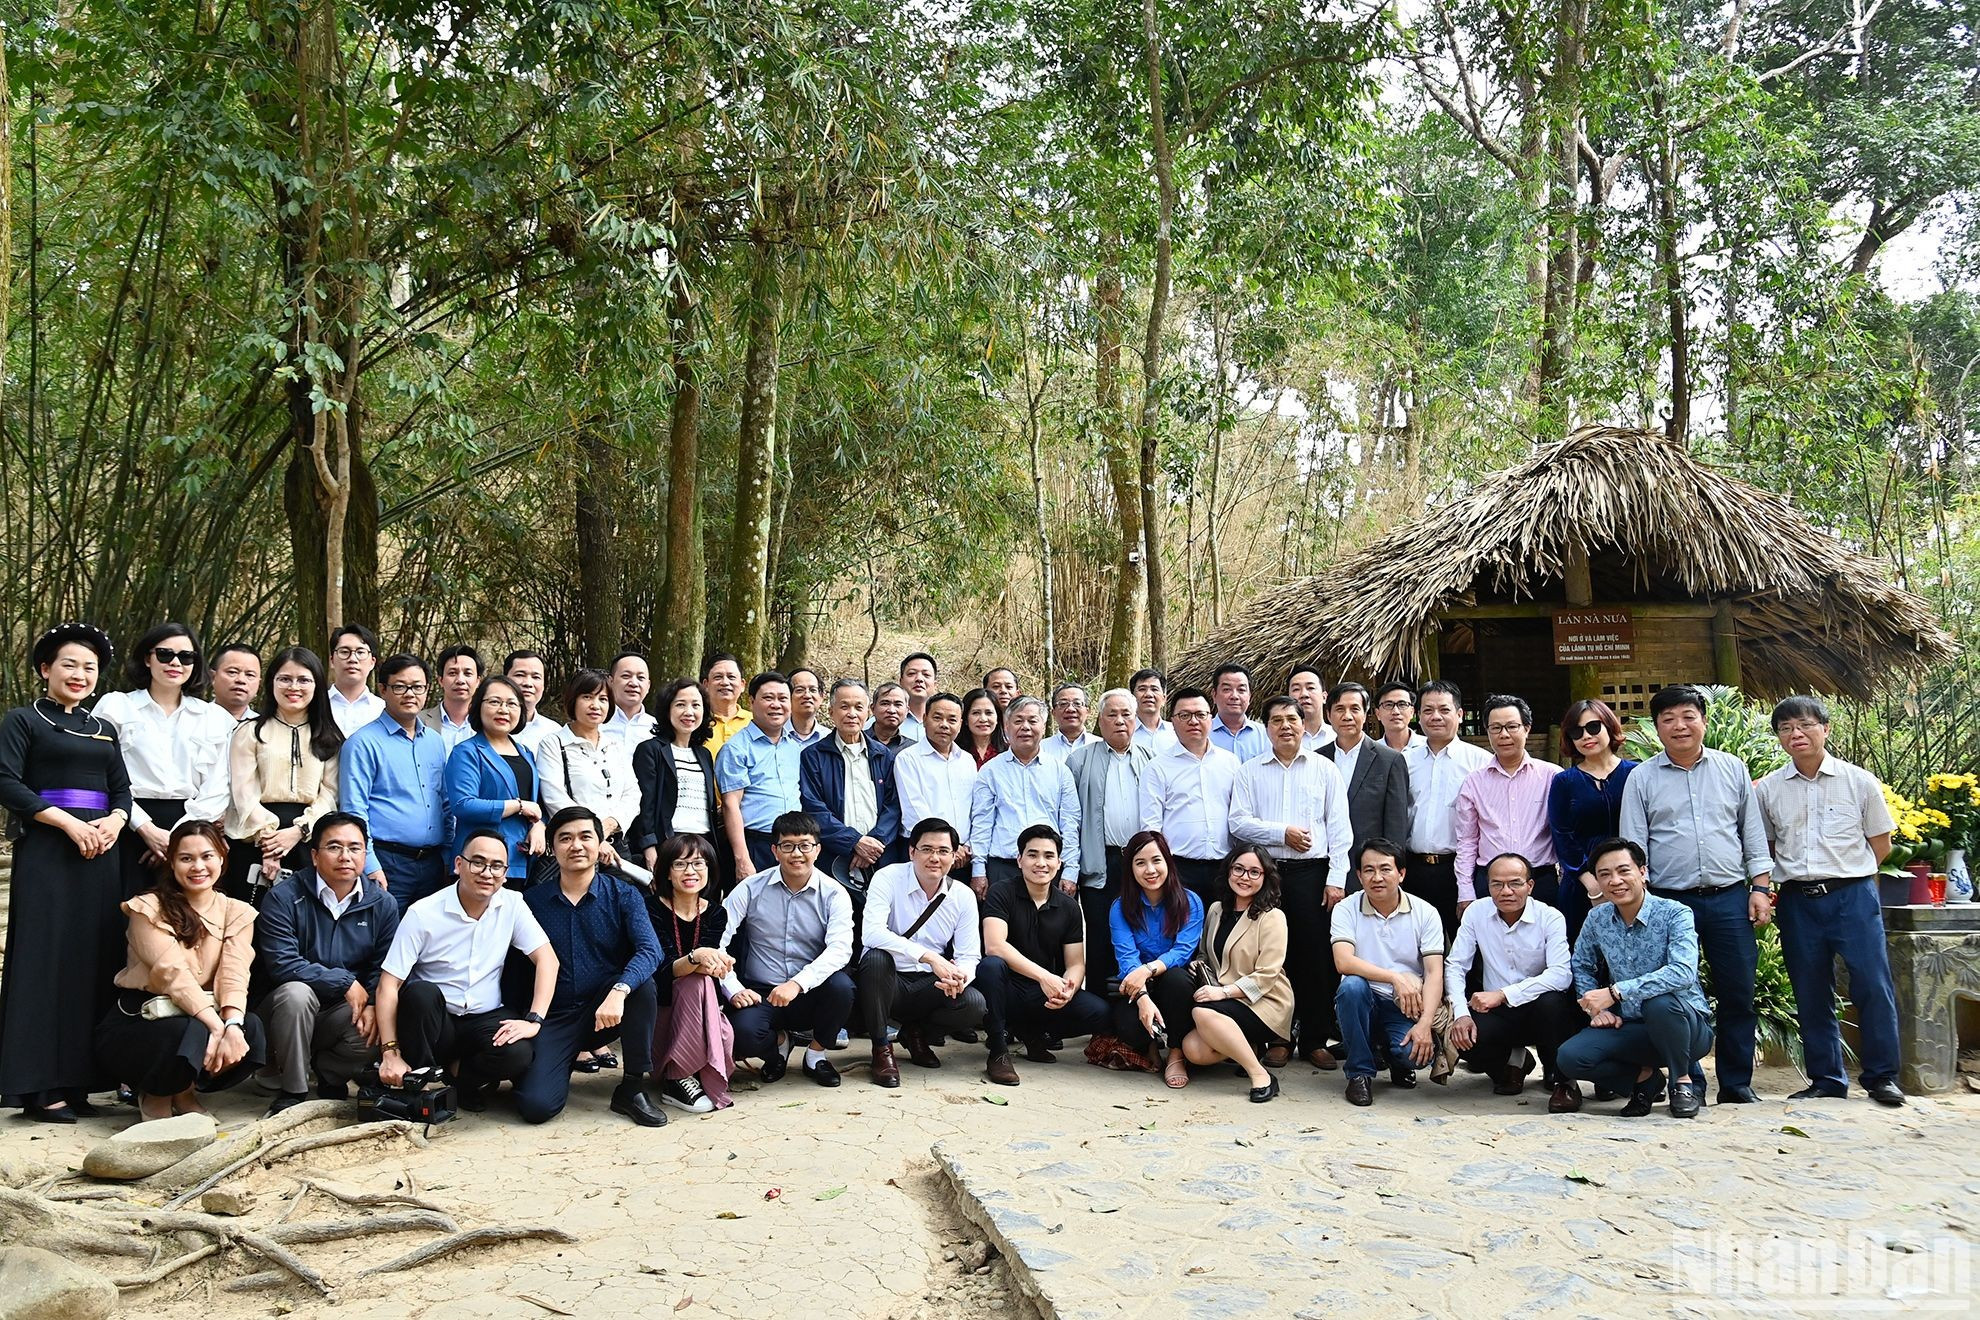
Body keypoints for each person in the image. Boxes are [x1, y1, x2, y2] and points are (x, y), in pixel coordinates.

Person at [0, 623, 130, 1122]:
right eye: (69, 664)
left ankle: (80, 1081)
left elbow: (121, 790)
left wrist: (115, 823)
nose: (80, 675)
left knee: (93, 958)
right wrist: (69, 824)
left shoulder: (104, 728)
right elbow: (6, 781)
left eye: (89, 667)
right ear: (45, 669)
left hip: (101, 854)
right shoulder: (22, 720)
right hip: (49, 852)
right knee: (44, 961)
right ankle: (38, 1086)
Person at [1618, 684, 1772, 1104]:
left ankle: (1737, 1084)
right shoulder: (1641, 777)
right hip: (1669, 901)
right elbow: (1633, 846)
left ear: (1703, 721)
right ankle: (1688, 1083)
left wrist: (1760, 887)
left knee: (1737, 991)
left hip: (1728, 897)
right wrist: (1639, 903)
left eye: (1688, 716)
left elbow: (1752, 833)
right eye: (1668, 719)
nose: (1679, 726)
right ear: (1657, 726)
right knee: (1675, 994)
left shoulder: (1732, 768)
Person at [1754, 696, 1904, 1107]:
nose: (1795, 734)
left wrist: (1849, 878)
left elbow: (1881, 844)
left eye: (1804, 725)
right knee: (1809, 988)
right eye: (1785, 728)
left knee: (1872, 984)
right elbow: (1765, 845)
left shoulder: (1859, 781)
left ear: (1825, 728)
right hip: (1798, 901)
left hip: (1852, 896)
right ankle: (1827, 1078)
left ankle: (1882, 1077)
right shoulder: (1768, 789)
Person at [374, 829, 558, 1110]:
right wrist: (390, 1051)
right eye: (478, 862)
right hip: (435, 1022)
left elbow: (547, 959)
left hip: (484, 1017)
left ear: (506, 873)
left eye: (497, 866)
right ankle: (423, 1082)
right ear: (459, 865)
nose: (487, 872)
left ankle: (460, 1082)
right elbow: (389, 984)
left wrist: (534, 1020)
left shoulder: (512, 904)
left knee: (518, 1053)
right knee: (420, 994)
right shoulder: (423, 913)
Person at [98, 821, 266, 1119]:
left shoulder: (237, 911)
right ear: (171, 862)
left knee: (248, 1027)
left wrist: (232, 1026)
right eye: (186, 858)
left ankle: (184, 1091)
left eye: (207, 856)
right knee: (188, 1030)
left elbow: (235, 973)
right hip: (142, 1021)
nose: (198, 866)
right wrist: (216, 1028)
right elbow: (172, 974)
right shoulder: (147, 908)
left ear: (222, 859)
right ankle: (156, 1093)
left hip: (200, 1016)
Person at [510, 807, 666, 1126]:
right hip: (555, 1016)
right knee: (537, 1106)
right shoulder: (531, 902)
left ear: (600, 844)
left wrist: (619, 990)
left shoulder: (623, 894)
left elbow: (651, 950)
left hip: (605, 1009)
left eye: (585, 837)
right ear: (552, 848)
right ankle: (551, 1065)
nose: (576, 845)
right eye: (565, 839)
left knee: (641, 986)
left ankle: (632, 1088)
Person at [1228, 694, 1350, 1070]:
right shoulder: (1249, 771)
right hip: (1265, 875)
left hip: (1312, 875)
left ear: (1304, 723)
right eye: (1276, 720)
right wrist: (1282, 833)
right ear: (1266, 728)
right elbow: (1238, 823)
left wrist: (1336, 880)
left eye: (1292, 719)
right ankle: (1278, 1037)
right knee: (1270, 959)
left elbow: (1340, 830)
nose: (1285, 726)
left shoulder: (1324, 769)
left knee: (1313, 957)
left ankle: (1314, 1038)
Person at [252, 812, 399, 1114]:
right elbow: (282, 963)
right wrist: (343, 981)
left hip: (342, 1013)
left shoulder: (383, 903)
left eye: (355, 848)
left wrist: (371, 1001)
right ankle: (294, 1090)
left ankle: (329, 1071)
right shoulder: (283, 897)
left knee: (380, 1017)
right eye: (334, 847)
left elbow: (382, 966)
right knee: (296, 994)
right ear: (315, 856)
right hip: (285, 1011)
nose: (345, 856)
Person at [1556, 838, 1713, 1119]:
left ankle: (1682, 1082)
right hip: (1632, 1026)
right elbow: (1581, 964)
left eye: (1623, 871)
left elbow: (1683, 971)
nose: (1615, 881)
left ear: (1642, 871)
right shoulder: (1597, 918)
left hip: (1686, 1028)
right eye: (1604, 874)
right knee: (1570, 1057)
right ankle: (1644, 1082)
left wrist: (1616, 993)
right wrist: (1597, 1006)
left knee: (1659, 1003)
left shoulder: (1675, 913)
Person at [93, 622, 234, 897]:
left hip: (192, 828)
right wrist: (146, 829)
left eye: (186, 657)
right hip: (125, 822)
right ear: (147, 658)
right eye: (165, 654)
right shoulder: (117, 707)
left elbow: (219, 786)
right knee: (122, 915)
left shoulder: (214, 718)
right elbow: (102, 774)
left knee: (186, 916)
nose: (175, 663)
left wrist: (177, 839)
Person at [716, 812, 856, 1087]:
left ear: (817, 849)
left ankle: (816, 1055)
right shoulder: (750, 888)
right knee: (742, 1033)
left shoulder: (834, 893)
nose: (797, 854)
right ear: (775, 850)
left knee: (843, 987)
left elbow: (840, 949)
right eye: (788, 846)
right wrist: (733, 988)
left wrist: (797, 983)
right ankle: (779, 1045)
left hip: (809, 990)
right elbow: (716, 939)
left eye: (805, 845)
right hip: (761, 992)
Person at [856, 818, 986, 1087]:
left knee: (974, 1003)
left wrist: (959, 977)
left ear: (954, 855)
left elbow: (970, 954)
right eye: (926, 849)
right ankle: (881, 1049)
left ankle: (916, 1034)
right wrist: (929, 957)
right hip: (886, 982)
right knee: (876, 959)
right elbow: (871, 933)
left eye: (943, 851)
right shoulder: (888, 877)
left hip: (929, 983)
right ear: (911, 852)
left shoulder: (962, 895)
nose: (935, 858)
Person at [1444, 853, 1580, 1109]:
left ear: (1530, 886)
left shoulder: (1550, 917)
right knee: (1460, 1034)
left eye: (1515, 883)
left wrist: (1504, 994)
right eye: (1497, 884)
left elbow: (1561, 974)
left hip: (1539, 1008)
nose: (1506, 891)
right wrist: (1460, 1014)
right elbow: (1455, 966)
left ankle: (1565, 1081)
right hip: (1498, 1013)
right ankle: (1512, 1062)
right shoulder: (1476, 912)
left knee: (1553, 1003)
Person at [978, 825, 1111, 1085]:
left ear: (1059, 862)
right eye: (1032, 855)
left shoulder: (1069, 907)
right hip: (1008, 989)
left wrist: (1067, 988)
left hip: (1043, 995)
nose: (1041, 863)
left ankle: (1033, 1033)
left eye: (1049, 856)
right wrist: (1044, 976)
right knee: (991, 966)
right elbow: (995, 945)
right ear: (1019, 860)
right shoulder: (1001, 892)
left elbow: (1075, 963)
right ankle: (998, 1051)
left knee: (1100, 1012)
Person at [223, 646, 344, 903]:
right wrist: (268, 840)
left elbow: (331, 794)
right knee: (252, 918)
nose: (294, 687)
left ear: (317, 685)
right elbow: (243, 793)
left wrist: (298, 831)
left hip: (309, 838)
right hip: (254, 837)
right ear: (272, 683)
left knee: (305, 923)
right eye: (285, 679)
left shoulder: (329, 736)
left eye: (303, 680)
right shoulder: (249, 731)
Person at [1331, 839, 1445, 1106]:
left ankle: (1395, 1060)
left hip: (1405, 1005)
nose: (1377, 877)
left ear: (1401, 873)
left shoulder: (1425, 913)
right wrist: (1395, 977)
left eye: (1385, 869)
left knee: (1415, 1056)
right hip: (1365, 999)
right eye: (1368, 870)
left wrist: (1425, 1024)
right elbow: (1343, 962)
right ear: (1358, 875)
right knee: (1351, 987)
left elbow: (1434, 973)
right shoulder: (1346, 908)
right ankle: (1359, 1073)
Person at [340, 654, 450, 912]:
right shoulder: (363, 743)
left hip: (434, 863)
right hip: (388, 862)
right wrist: (370, 864)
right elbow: (354, 810)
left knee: (432, 944)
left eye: (418, 687)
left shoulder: (435, 742)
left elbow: (444, 803)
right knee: (385, 942)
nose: (410, 694)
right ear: (383, 689)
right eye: (400, 686)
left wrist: (447, 855)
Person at [1184, 847, 1293, 1103]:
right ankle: (1249, 1048)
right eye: (1239, 869)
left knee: (1201, 1012)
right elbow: (1205, 954)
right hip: (1225, 1001)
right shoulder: (1216, 910)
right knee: (1193, 1051)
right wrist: (1198, 966)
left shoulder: (1272, 917)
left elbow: (1267, 975)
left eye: (1255, 872)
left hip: (1265, 1002)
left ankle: (1261, 1075)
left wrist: (1222, 992)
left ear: (1265, 877)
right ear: (1229, 870)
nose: (1245, 877)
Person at [1064, 691, 1153, 986]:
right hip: (1100, 861)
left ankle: (1139, 1009)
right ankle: (1102, 1019)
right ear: (1099, 720)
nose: (1119, 721)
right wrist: (1071, 868)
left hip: (1141, 863)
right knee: (1101, 936)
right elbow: (1070, 820)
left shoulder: (1151, 760)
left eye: (1126, 714)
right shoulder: (1078, 761)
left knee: (1140, 933)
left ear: (1135, 719)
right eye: (1111, 715)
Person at [645, 833, 736, 1112]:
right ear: (667, 872)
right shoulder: (650, 908)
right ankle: (676, 1077)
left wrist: (716, 963)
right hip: (659, 1010)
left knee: (701, 980)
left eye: (699, 864)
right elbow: (659, 971)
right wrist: (698, 958)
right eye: (681, 864)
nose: (691, 872)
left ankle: (692, 1072)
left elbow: (707, 966)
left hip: (698, 1007)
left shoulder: (716, 913)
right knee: (694, 980)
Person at [1107, 831, 1204, 1088]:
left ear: (1168, 862)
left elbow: (1183, 951)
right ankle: (1150, 1043)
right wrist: (1142, 998)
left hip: (1175, 985)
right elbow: (1126, 958)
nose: (1150, 870)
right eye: (1140, 863)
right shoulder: (1120, 907)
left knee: (1176, 979)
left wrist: (1148, 970)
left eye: (1156, 860)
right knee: (1128, 1027)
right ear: (1131, 869)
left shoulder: (1190, 901)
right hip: (1138, 985)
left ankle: (1175, 1053)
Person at [1455, 695, 1562, 918]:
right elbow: (1467, 841)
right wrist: (1465, 891)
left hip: (1540, 880)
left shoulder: (1552, 777)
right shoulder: (1474, 782)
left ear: (1527, 728)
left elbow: (1563, 833)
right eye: (1495, 728)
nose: (1503, 734)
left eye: (1512, 726)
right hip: (1490, 883)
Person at [800, 680, 902, 910]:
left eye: (859, 707)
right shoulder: (814, 755)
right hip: (834, 857)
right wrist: (853, 842)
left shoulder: (883, 755)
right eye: (844, 706)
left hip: (879, 857)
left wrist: (872, 846)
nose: (852, 714)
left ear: (869, 712)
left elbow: (893, 806)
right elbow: (814, 807)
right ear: (831, 712)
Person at [1404, 680, 1492, 941]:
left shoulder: (1480, 762)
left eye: (1444, 710)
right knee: (1417, 943)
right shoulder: (1404, 762)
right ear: (1418, 716)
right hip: (1414, 868)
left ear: (1460, 715)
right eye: (1428, 710)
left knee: (1468, 942)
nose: (1436, 717)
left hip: (1461, 869)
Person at [1137, 688, 1240, 902]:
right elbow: (1151, 826)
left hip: (1225, 867)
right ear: (1172, 721)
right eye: (1184, 715)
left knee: (1220, 932)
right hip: (1178, 868)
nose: (1193, 721)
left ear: (1210, 719)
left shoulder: (1230, 763)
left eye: (1200, 715)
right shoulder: (1157, 767)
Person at [1546, 698, 1637, 941]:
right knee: (1584, 953)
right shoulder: (1564, 782)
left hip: (1631, 879)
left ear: (1609, 726)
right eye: (1577, 732)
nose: (1586, 736)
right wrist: (1592, 883)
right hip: (1582, 883)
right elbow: (1562, 835)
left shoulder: (1636, 773)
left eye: (1594, 727)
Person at [969, 696, 1079, 894]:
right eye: (1018, 721)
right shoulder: (990, 770)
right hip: (1003, 867)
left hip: (1047, 868)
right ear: (1006, 727)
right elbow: (981, 823)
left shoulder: (1060, 771)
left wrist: (1070, 870)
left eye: (1032, 721)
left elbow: (1070, 823)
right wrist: (978, 869)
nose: (1025, 727)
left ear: (1044, 727)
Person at [444, 676, 546, 887]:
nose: (503, 710)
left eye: (511, 703)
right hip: (481, 862)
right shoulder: (467, 752)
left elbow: (534, 805)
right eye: (494, 702)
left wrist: (538, 825)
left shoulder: (525, 753)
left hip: (522, 860)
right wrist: (517, 806)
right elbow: (463, 805)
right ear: (477, 706)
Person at [539, 668, 640, 872]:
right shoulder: (554, 743)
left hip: (616, 846)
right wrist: (591, 835)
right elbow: (554, 797)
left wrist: (609, 825)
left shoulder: (615, 746)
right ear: (573, 700)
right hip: (575, 847)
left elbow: (632, 793)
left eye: (603, 699)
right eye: (587, 697)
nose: (596, 705)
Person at [633, 678, 728, 891]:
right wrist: (649, 847)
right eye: (680, 704)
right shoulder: (651, 750)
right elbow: (645, 803)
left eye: (696, 705)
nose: (689, 711)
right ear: (667, 710)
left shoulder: (703, 754)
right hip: (670, 842)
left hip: (704, 843)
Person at [714, 671, 801, 877]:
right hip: (755, 844)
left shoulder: (794, 746)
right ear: (752, 702)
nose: (776, 705)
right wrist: (742, 859)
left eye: (783, 699)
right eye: (768, 698)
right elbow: (730, 805)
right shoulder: (736, 748)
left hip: (794, 844)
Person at [1322, 682, 1412, 866]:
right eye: (1339, 709)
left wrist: (1389, 868)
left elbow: (1396, 826)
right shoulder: (1317, 759)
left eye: (1355, 709)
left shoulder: (1390, 760)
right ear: (1328, 715)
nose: (1347, 716)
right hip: (1322, 864)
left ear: (1365, 714)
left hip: (1369, 866)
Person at [895, 693, 979, 869]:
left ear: (961, 724)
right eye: (937, 717)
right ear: (925, 719)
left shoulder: (967, 760)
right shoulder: (908, 759)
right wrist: (947, 848)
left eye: (952, 719)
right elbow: (914, 810)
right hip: (925, 853)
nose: (944, 725)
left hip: (964, 856)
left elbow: (975, 808)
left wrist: (967, 846)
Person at [420, 644, 482, 752]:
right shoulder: (418, 721)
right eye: (452, 673)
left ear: (478, 681)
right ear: (440, 680)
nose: (460, 680)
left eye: (467, 673)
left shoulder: (488, 722)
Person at [327, 624, 386, 734]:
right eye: (344, 652)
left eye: (360, 652)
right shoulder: (315, 705)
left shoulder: (383, 710)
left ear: (372, 662)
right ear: (332, 661)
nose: (352, 659)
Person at [1208, 664, 1267, 761]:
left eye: (1241, 690)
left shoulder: (1265, 735)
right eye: (1227, 689)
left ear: (1249, 696)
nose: (1234, 696)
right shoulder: (1203, 734)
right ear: (1214, 695)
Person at [503, 650, 558, 754]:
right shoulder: (483, 725)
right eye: (520, 675)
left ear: (544, 685)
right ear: (504, 680)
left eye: (536, 677)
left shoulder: (554, 732)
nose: (528, 683)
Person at [701, 652, 750, 754]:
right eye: (718, 677)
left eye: (731, 677)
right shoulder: (696, 721)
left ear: (742, 685)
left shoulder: (755, 722)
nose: (725, 682)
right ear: (706, 685)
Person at [605, 651, 655, 746]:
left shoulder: (657, 729)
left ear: (648, 686)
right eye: (626, 676)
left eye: (640, 678)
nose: (634, 683)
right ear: (611, 682)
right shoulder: (596, 724)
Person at [208, 644, 263, 724]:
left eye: (250, 675)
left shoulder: (264, 729)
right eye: (232, 672)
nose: (241, 680)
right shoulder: (193, 719)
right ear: (213, 677)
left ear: (259, 684)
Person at [1042, 684, 1097, 761]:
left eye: (1077, 703)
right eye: (1063, 704)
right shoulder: (1041, 749)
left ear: (1088, 711)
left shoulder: (1101, 747)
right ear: (1053, 713)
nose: (1070, 709)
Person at [1287, 666, 1335, 753]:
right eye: (1296, 689)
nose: (1304, 694)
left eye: (1311, 688)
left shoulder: (1337, 737)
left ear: (1324, 697)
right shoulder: (1279, 740)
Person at [957, 688, 1007, 769]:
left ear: (997, 718)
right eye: (976, 713)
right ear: (965, 718)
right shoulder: (954, 752)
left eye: (989, 713)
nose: (983, 719)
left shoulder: (1009, 753)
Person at [1128, 668, 1177, 751]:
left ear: (1164, 699)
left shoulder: (1176, 732)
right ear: (1132, 697)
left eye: (1154, 689)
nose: (1148, 694)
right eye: (1142, 689)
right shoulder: (1124, 732)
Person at [896, 652, 937, 744]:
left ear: (935, 684)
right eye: (912, 673)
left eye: (926, 675)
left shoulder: (946, 724)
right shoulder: (881, 721)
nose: (919, 679)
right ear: (900, 682)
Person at [1374, 682, 1424, 754]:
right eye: (1388, 705)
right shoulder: (1371, 753)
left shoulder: (1428, 747)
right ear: (1378, 714)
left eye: (1402, 704)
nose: (1396, 712)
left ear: (1412, 712)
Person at [786, 667, 827, 749]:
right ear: (788, 696)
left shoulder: (829, 739)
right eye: (799, 690)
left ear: (822, 696)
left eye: (813, 690)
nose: (807, 695)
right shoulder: (774, 736)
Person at [870, 682, 917, 752]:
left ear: (907, 711)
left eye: (898, 704)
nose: (891, 710)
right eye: (885, 704)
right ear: (873, 708)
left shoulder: (913, 749)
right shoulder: (859, 741)